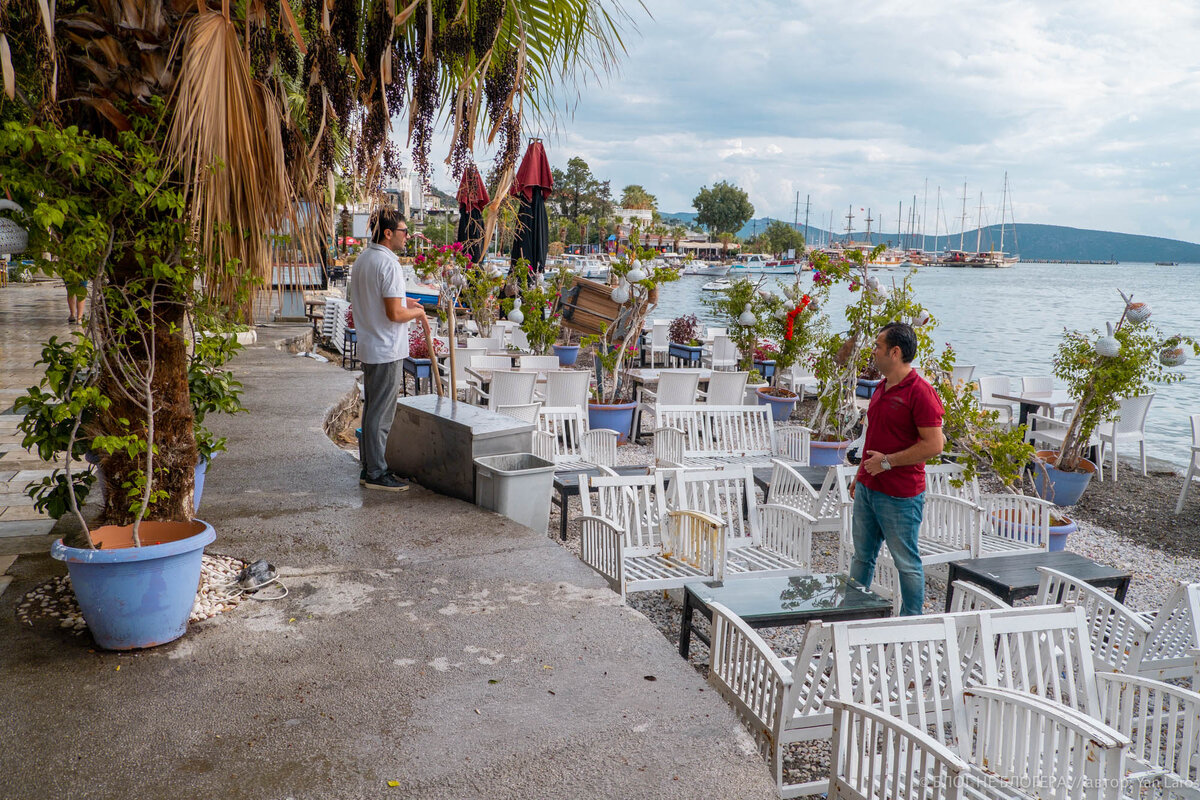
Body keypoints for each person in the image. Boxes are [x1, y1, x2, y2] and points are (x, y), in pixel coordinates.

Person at [849, 322, 944, 616]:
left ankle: (912, 624)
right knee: (862, 558)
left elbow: (934, 445)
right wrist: (859, 476)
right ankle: (852, 614)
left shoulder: (921, 392)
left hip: (900, 496)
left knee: (906, 562)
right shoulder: (880, 387)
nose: (873, 351)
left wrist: (887, 462)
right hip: (868, 488)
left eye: (877, 346)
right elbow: (873, 437)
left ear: (895, 352)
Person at [347, 209, 427, 491]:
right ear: (389, 233)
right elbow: (394, 314)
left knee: (372, 411)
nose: (407, 237)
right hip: (386, 348)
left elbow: (379, 298)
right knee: (381, 414)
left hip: (370, 345)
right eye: (404, 232)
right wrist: (416, 314)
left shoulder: (364, 260)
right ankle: (377, 473)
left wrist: (405, 300)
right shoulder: (389, 264)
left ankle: (370, 467)